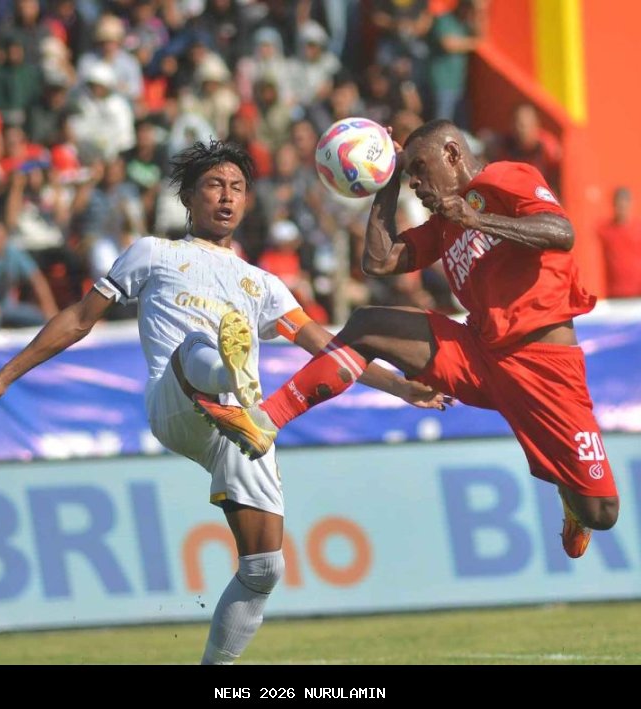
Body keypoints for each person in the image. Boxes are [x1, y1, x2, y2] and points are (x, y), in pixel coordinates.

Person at [0, 141, 444, 664]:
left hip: (239, 428)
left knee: (264, 569)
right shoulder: (154, 253)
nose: (226, 197)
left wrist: (401, 385)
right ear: (188, 197)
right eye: (214, 185)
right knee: (197, 345)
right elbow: (78, 319)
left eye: (236, 188)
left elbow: (327, 346)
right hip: (177, 401)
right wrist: (3, 378)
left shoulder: (264, 286)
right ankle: (233, 379)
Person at [196, 120, 618, 559]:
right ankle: (265, 421)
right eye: (410, 173)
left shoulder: (505, 178)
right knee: (367, 326)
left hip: (543, 363)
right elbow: (379, 261)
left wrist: (479, 219)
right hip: (480, 354)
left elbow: (560, 232)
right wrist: (388, 177)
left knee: (602, 511)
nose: (416, 181)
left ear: (453, 153)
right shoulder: (445, 224)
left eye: (419, 168)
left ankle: (573, 500)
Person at [596, 187, 641, 298]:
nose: (621, 209)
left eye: (624, 205)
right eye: (619, 205)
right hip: (615, 291)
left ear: (630, 204)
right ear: (613, 205)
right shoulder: (605, 230)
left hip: (640, 290)